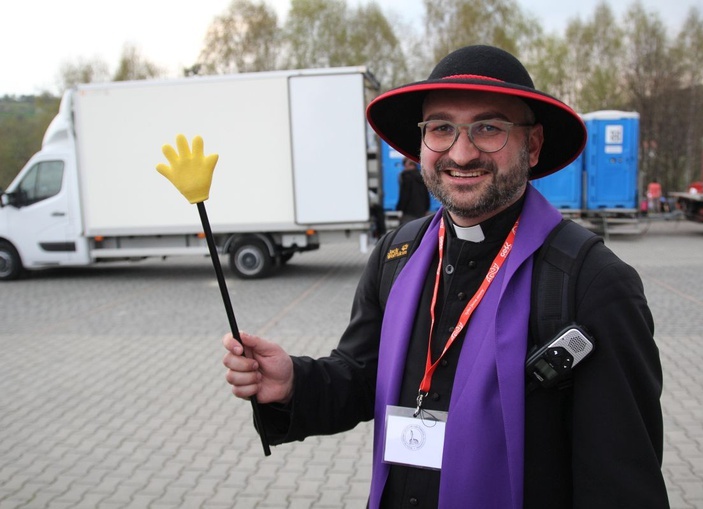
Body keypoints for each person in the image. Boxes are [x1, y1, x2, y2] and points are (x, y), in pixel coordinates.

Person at [222, 45, 669, 508]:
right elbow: (360, 376)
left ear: (532, 145)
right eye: (441, 128)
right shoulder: (397, 254)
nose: (461, 151)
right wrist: (293, 381)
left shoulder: (591, 281)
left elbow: (621, 482)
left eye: (489, 128)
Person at [396, 157, 431, 224]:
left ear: (406, 165)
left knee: (407, 233)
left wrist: (400, 209)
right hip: (421, 212)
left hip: (408, 213)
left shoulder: (406, 176)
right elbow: (426, 194)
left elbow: (404, 195)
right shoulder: (422, 176)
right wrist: (426, 208)